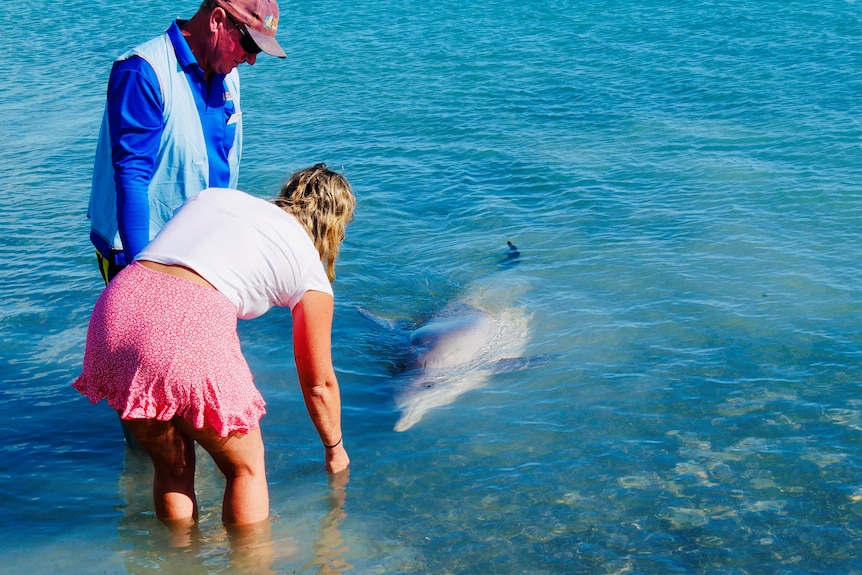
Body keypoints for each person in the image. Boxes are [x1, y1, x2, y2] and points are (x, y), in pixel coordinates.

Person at [74, 164, 354, 527]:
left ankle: (176, 562)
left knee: (172, 468)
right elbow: (318, 383)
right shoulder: (308, 268)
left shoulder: (213, 197)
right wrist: (335, 449)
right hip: (188, 330)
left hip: (117, 310)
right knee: (245, 470)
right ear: (336, 226)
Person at [88, 0, 287, 284]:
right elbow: (132, 178)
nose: (252, 59)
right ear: (217, 20)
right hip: (147, 255)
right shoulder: (143, 72)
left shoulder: (229, 77)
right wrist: (141, 277)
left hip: (203, 252)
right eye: (250, 45)